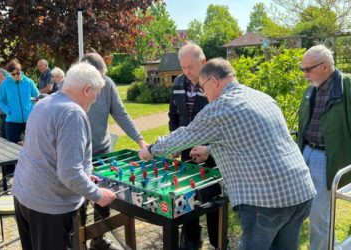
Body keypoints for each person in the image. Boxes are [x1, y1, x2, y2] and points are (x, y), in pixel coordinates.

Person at [139, 58, 316, 250]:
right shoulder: (261, 97)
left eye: (202, 88)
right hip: (301, 191)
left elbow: (184, 136)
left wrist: (151, 150)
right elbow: (254, 138)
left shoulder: (220, 107)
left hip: (266, 200)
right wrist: (209, 149)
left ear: (213, 81)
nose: (204, 94)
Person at [12, 62, 116, 250]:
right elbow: (69, 173)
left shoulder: (44, 102)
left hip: (23, 197)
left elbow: (45, 152)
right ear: (86, 89)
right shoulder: (73, 113)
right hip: (48, 208)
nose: (96, 98)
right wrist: (98, 194)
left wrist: (84, 175)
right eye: (96, 92)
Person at [80, 52, 148, 250]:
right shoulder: (73, 86)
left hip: (102, 150)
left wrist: (140, 139)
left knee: (105, 197)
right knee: (80, 201)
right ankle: (79, 241)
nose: (100, 82)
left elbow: (121, 113)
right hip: (80, 154)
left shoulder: (108, 84)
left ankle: (98, 238)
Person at [298, 44, 351, 250]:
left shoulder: (347, 87)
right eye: (302, 69)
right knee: (303, 206)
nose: (304, 74)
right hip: (306, 153)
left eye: (308, 69)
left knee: (319, 213)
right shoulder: (310, 89)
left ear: (325, 67)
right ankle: (331, 245)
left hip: (328, 158)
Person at [169, 41, 216, 249]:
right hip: (187, 151)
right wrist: (175, 143)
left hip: (212, 153)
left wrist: (208, 148)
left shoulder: (215, 83)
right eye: (183, 67)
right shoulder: (178, 83)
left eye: (191, 67)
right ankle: (192, 240)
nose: (187, 71)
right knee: (186, 197)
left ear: (203, 62)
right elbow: (174, 116)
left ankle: (217, 242)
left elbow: (222, 122)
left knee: (213, 201)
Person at [0, 59, 39, 185]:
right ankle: (10, 176)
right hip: (12, 121)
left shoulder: (29, 82)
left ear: (21, 71)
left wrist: (32, 108)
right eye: (13, 74)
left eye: (18, 73)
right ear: (9, 74)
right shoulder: (5, 84)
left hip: (29, 120)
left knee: (32, 146)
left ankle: (33, 173)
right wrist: (8, 111)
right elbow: (0, 101)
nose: (16, 76)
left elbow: (37, 97)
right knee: (11, 149)